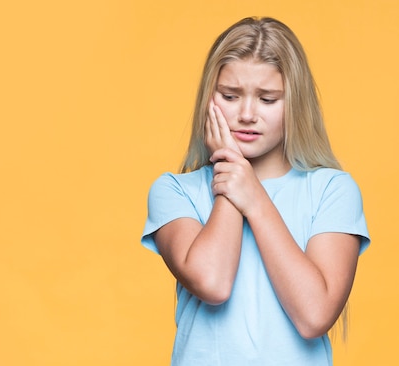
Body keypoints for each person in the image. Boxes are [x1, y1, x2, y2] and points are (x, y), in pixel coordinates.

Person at [141, 17, 370, 365]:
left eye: (267, 99)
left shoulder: (333, 191)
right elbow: (214, 282)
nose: (247, 114)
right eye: (230, 96)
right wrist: (231, 170)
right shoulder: (174, 192)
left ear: (295, 103)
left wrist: (255, 198)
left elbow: (314, 316)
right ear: (209, 98)